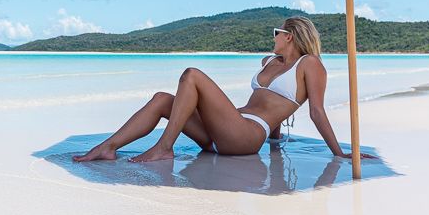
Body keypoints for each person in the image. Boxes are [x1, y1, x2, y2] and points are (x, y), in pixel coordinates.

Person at [73, 16, 375, 163]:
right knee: (164, 99)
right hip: (223, 132)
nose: (273, 36)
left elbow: (316, 111)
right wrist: (276, 137)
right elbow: (270, 105)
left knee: (192, 74)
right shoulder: (270, 60)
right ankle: (108, 147)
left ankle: (164, 147)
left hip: (244, 135)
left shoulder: (311, 65)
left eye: (277, 32)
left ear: (291, 36)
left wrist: (340, 153)